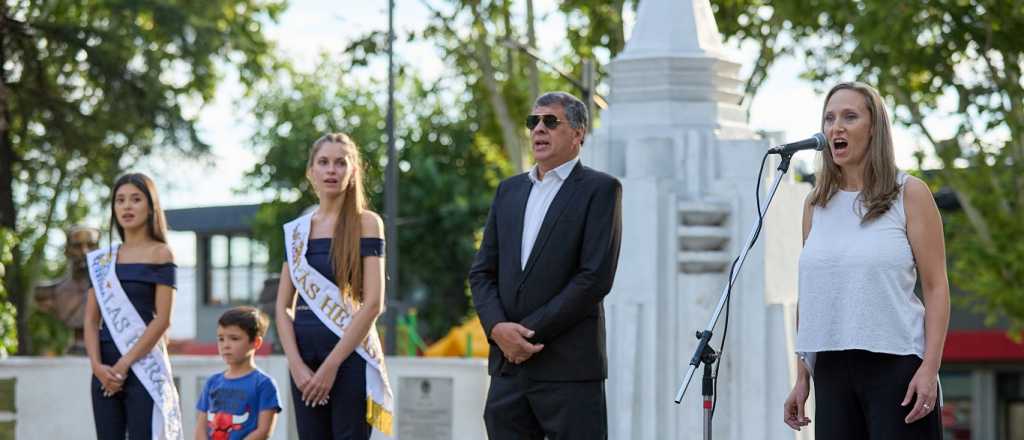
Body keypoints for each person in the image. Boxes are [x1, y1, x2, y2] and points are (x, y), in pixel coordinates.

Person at [783, 82, 950, 438]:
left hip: (897, 365)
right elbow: (810, 295)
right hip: (830, 369)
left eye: (849, 117)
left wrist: (930, 367)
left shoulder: (909, 194)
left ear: (874, 128)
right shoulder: (816, 204)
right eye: (829, 118)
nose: (836, 128)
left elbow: (936, 287)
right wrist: (801, 376)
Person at [469, 91, 623, 440]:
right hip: (508, 371)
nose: (538, 129)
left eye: (551, 121)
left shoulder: (601, 189)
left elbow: (594, 278)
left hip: (569, 370)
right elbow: (481, 273)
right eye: (533, 121)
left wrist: (523, 335)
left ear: (578, 133)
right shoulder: (508, 191)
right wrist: (497, 329)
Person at [274, 133, 393, 439]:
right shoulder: (296, 232)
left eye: (341, 163)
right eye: (323, 162)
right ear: (310, 171)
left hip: (350, 357)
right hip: (304, 361)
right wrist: (296, 365)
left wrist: (331, 366)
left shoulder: (367, 223)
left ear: (353, 170)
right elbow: (282, 307)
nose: (331, 170)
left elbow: (374, 303)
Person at [84, 173, 183, 439]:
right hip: (105, 367)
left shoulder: (162, 253)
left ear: (151, 207)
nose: (127, 206)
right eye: (120, 200)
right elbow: (91, 320)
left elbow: (163, 319)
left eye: (136, 199)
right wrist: (97, 366)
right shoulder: (101, 260)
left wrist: (124, 364)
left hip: (143, 363)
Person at [195, 307, 282, 440]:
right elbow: (200, 428)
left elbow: (264, 431)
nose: (225, 345)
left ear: (256, 342)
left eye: (234, 338)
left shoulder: (264, 384)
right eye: (221, 339)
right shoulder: (212, 382)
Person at [34, 225, 100, 354]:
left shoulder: (112, 292)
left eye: (91, 245)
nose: (85, 251)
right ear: (67, 250)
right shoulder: (48, 293)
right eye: (77, 246)